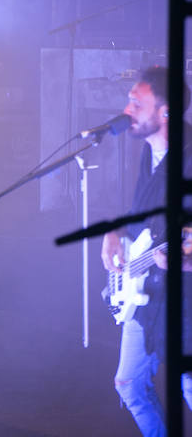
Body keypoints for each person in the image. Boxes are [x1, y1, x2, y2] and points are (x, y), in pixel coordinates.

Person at [100, 65, 192, 435]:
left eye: (137, 103)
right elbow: (144, 221)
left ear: (165, 111)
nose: (127, 110)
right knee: (129, 384)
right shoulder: (149, 155)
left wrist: (185, 260)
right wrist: (116, 230)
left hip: (184, 299)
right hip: (147, 292)